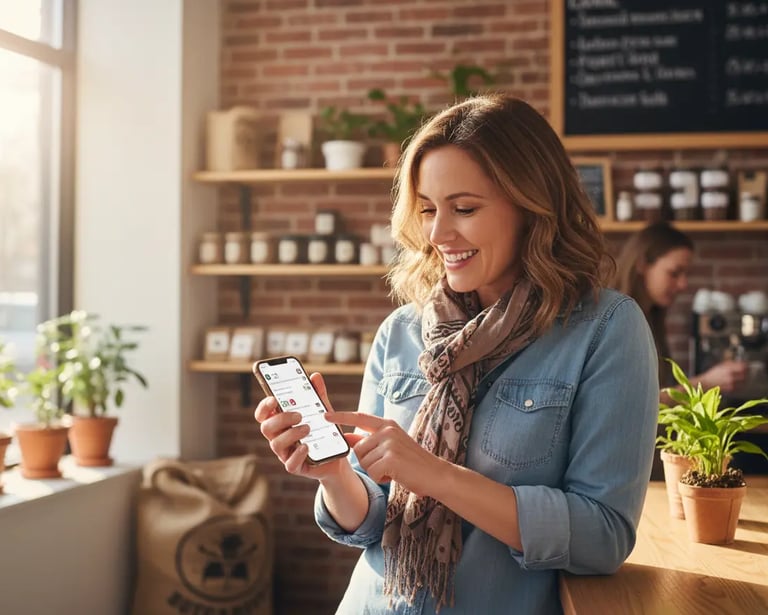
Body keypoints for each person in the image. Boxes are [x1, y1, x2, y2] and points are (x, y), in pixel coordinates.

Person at [255, 94, 659, 614]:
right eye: (427, 210)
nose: (439, 234)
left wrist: (438, 475)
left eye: (464, 209)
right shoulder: (401, 332)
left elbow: (602, 537)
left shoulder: (605, 330)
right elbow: (374, 521)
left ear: (532, 207)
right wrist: (333, 473)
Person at [612, 222, 748, 397]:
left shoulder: (650, 318)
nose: (683, 285)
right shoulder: (618, 322)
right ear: (642, 264)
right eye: (674, 273)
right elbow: (634, 404)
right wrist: (705, 383)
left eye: (686, 274)